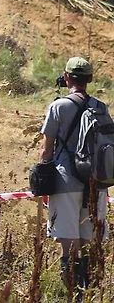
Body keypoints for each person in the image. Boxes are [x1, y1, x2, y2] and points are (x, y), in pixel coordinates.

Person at [38, 56, 109, 294]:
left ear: (66, 77)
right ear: (89, 80)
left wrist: (43, 181)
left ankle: (71, 290)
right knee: (88, 238)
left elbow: (46, 150)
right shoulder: (101, 107)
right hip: (96, 183)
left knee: (68, 240)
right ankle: (87, 289)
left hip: (65, 181)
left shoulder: (58, 107)